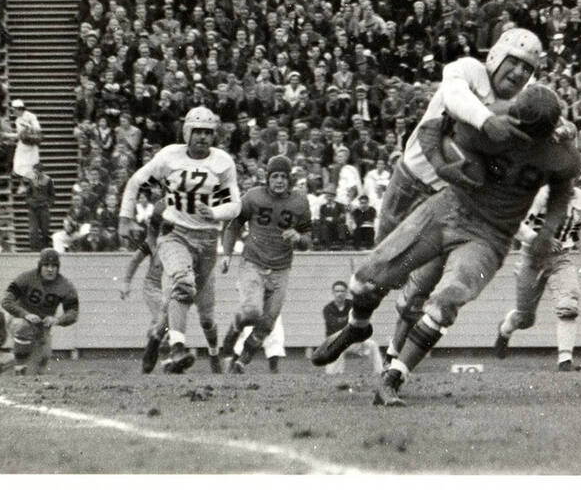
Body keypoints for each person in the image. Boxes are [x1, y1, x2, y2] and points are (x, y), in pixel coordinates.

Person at [312, 84, 580, 406]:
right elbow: (428, 129)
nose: (520, 135)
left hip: (491, 234)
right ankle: (357, 327)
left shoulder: (560, 152)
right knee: (367, 277)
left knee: (446, 301)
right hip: (449, 208)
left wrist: (548, 230)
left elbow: (562, 192)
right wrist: (442, 164)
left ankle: (394, 376)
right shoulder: (492, 118)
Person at [379, 27, 542, 366]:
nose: (519, 73)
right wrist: (486, 121)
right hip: (409, 182)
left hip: (448, 198)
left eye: (527, 69)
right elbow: (455, 98)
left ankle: (394, 362)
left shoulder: (518, 107)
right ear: (496, 57)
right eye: (515, 63)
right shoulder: (467, 70)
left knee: (421, 291)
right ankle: (360, 326)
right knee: (381, 276)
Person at [118, 106, 241, 374]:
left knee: (196, 309)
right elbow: (136, 181)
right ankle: (177, 348)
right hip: (175, 234)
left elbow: (235, 205)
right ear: (187, 132)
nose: (202, 137)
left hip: (208, 239)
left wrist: (216, 211)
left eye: (208, 132)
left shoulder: (222, 162)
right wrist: (125, 217)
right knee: (182, 284)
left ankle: (155, 341)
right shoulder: (169, 156)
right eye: (197, 131)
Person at [219, 155, 311, 373]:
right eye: (275, 176)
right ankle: (230, 339)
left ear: (290, 179)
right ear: (267, 178)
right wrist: (227, 254)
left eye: (283, 177)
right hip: (254, 262)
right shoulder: (253, 197)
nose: (279, 181)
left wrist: (298, 237)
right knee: (251, 311)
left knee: (267, 323)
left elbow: (308, 238)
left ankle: (242, 361)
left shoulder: (300, 202)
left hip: (281, 268)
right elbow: (233, 224)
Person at [493, 185, 581, 371]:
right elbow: (518, 224)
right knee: (525, 319)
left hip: (561, 259)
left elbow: (577, 229)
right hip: (532, 257)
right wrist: (541, 239)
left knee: (569, 305)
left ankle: (565, 359)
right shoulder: (541, 194)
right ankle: (505, 330)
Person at [1, 248, 79, 375]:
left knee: (40, 365)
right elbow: (6, 301)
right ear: (40, 265)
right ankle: (18, 367)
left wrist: (58, 320)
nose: (50, 269)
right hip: (17, 318)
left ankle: (11, 363)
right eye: (46, 265)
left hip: (41, 326)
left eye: (54, 266)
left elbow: (73, 313)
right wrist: (25, 314)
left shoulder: (65, 285)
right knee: (23, 327)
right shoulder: (26, 277)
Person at [116, 197, 171, 374]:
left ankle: (152, 357)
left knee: (165, 323)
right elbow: (134, 261)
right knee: (164, 320)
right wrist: (125, 282)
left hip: (170, 287)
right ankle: (167, 362)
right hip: (153, 286)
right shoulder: (152, 242)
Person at [320, 281, 383, 375]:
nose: (339, 294)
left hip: (353, 341)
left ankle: (380, 372)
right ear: (333, 293)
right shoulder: (328, 309)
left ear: (346, 293)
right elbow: (335, 327)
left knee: (372, 345)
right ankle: (334, 373)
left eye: (342, 291)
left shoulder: (353, 305)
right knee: (331, 373)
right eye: (337, 291)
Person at [11, 99, 41, 191]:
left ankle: (33, 186)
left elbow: (37, 129)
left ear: (19, 109)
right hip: (22, 145)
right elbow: (20, 135)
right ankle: (22, 185)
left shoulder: (31, 116)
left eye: (14, 110)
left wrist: (28, 127)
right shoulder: (17, 120)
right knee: (19, 165)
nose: (13, 112)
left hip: (31, 145)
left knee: (31, 166)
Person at [25, 162, 55, 251]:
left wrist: (49, 204)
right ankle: (34, 247)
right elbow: (28, 194)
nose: (35, 173)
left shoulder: (48, 180)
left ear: (41, 172)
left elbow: (52, 194)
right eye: (34, 171)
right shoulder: (31, 180)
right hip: (33, 207)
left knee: (45, 228)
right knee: (33, 229)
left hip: (43, 207)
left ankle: (45, 247)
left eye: (37, 171)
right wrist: (29, 202)